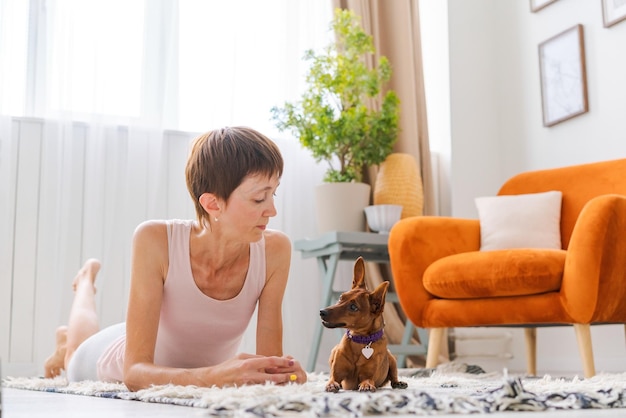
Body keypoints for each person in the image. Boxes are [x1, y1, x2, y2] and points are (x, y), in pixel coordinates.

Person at [43, 126, 307, 390]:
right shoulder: (155, 239)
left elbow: (270, 369)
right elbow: (134, 374)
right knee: (74, 354)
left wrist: (285, 374)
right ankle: (84, 285)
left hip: (155, 341)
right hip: (108, 360)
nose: (272, 210)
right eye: (259, 198)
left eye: (274, 193)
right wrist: (213, 376)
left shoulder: (275, 249)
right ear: (212, 204)